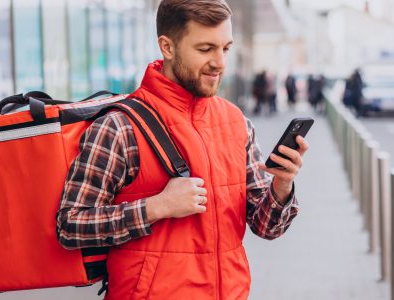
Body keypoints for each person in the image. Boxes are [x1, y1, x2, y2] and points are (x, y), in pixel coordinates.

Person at [56, 1, 309, 299]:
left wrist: (282, 185)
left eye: (225, 48)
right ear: (168, 47)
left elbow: (267, 227)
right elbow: (70, 226)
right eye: (205, 49)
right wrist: (156, 207)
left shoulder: (236, 122)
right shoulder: (119, 127)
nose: (219, 62)